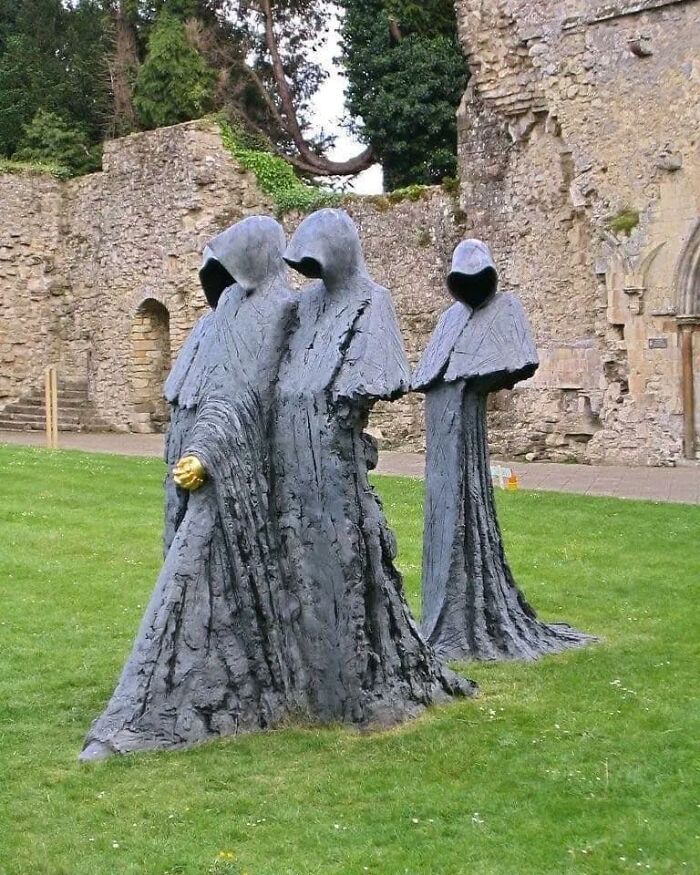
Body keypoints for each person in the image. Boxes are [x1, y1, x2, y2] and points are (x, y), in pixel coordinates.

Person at [80, 217, 298, 759]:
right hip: (188, 468)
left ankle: (148, 709)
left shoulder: (271, 314)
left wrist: (206, 452)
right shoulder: (212, 325)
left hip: (222, 472)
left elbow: (238, 396)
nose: (216, 283)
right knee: (186, 574)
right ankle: (195, 674)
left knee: (191, 577)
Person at [272, 209, 476, 727]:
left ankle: (348, 683)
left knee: (343, 569)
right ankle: (307, 680)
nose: (311, 272)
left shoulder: (373, 302)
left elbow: (373, 378)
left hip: (335, 469)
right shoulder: (304, 307)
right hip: (293, 470)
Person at [413, 238, 593, 661]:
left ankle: (465, 612)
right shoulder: (448, 319)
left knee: (463, 511)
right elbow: (428, 374)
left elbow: (517, 359)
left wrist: (473, 377)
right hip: (440, 429)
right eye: (462, 279)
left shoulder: (507, 309)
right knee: (442, 513)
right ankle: (441, 613)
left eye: (477, 277)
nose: (469, 285)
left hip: (465, 426)